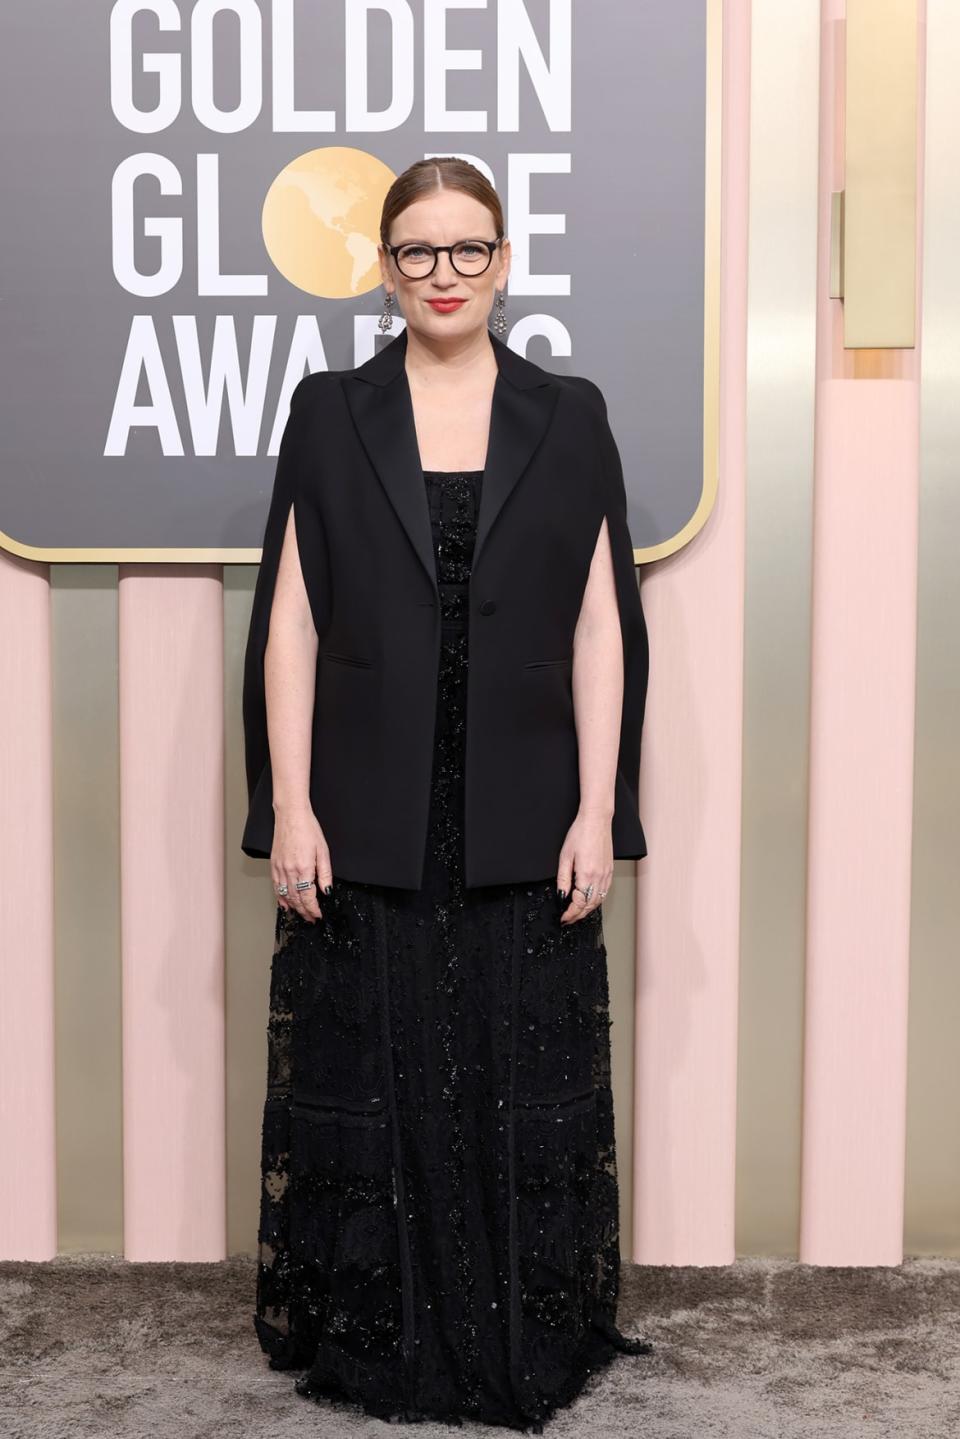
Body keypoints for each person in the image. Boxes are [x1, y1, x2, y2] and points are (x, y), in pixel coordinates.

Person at [243, 156, 653, 1431]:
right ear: (382, 268)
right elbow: (291, 623)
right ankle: (380, 1335)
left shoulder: (570, 412)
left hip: (526, 807)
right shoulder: (327, 411)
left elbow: (603, 625)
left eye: (466, 249)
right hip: (367, 805)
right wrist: (292, 808)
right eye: (415, 253)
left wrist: (599, 810)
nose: (442, 275)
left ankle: (522, 1324)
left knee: (515, 1069)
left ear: (504, 259)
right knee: (381, 1067)